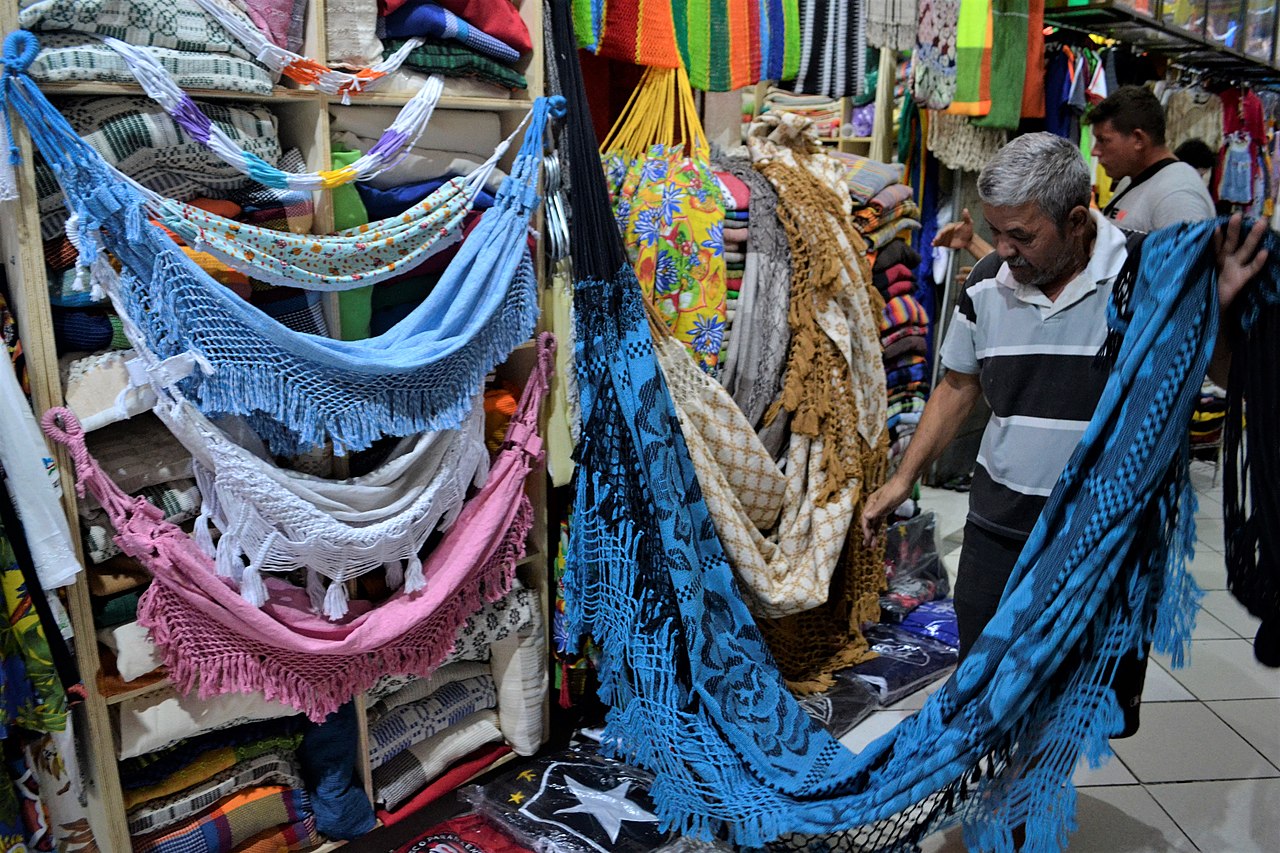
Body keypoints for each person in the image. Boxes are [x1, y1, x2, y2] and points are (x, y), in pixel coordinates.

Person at [860, 133, 1267, 673]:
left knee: (1075, 698)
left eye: (1020, 235)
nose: (1002, 249)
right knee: (981, 683)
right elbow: (959, 385)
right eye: (995, 231)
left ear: (1076, 222)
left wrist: (1212, 312)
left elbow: (1224, 375)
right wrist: (899, 479)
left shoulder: (1149, 274)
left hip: (1102, 537)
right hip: (998, 529)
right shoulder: (986, 284)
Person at [1087, 85, 1216, 231]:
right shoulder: (1131, 178)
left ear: (1138, 139)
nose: (1094, 152)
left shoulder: (1178, 197)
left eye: (1103, 140)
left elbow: (1187, 253)